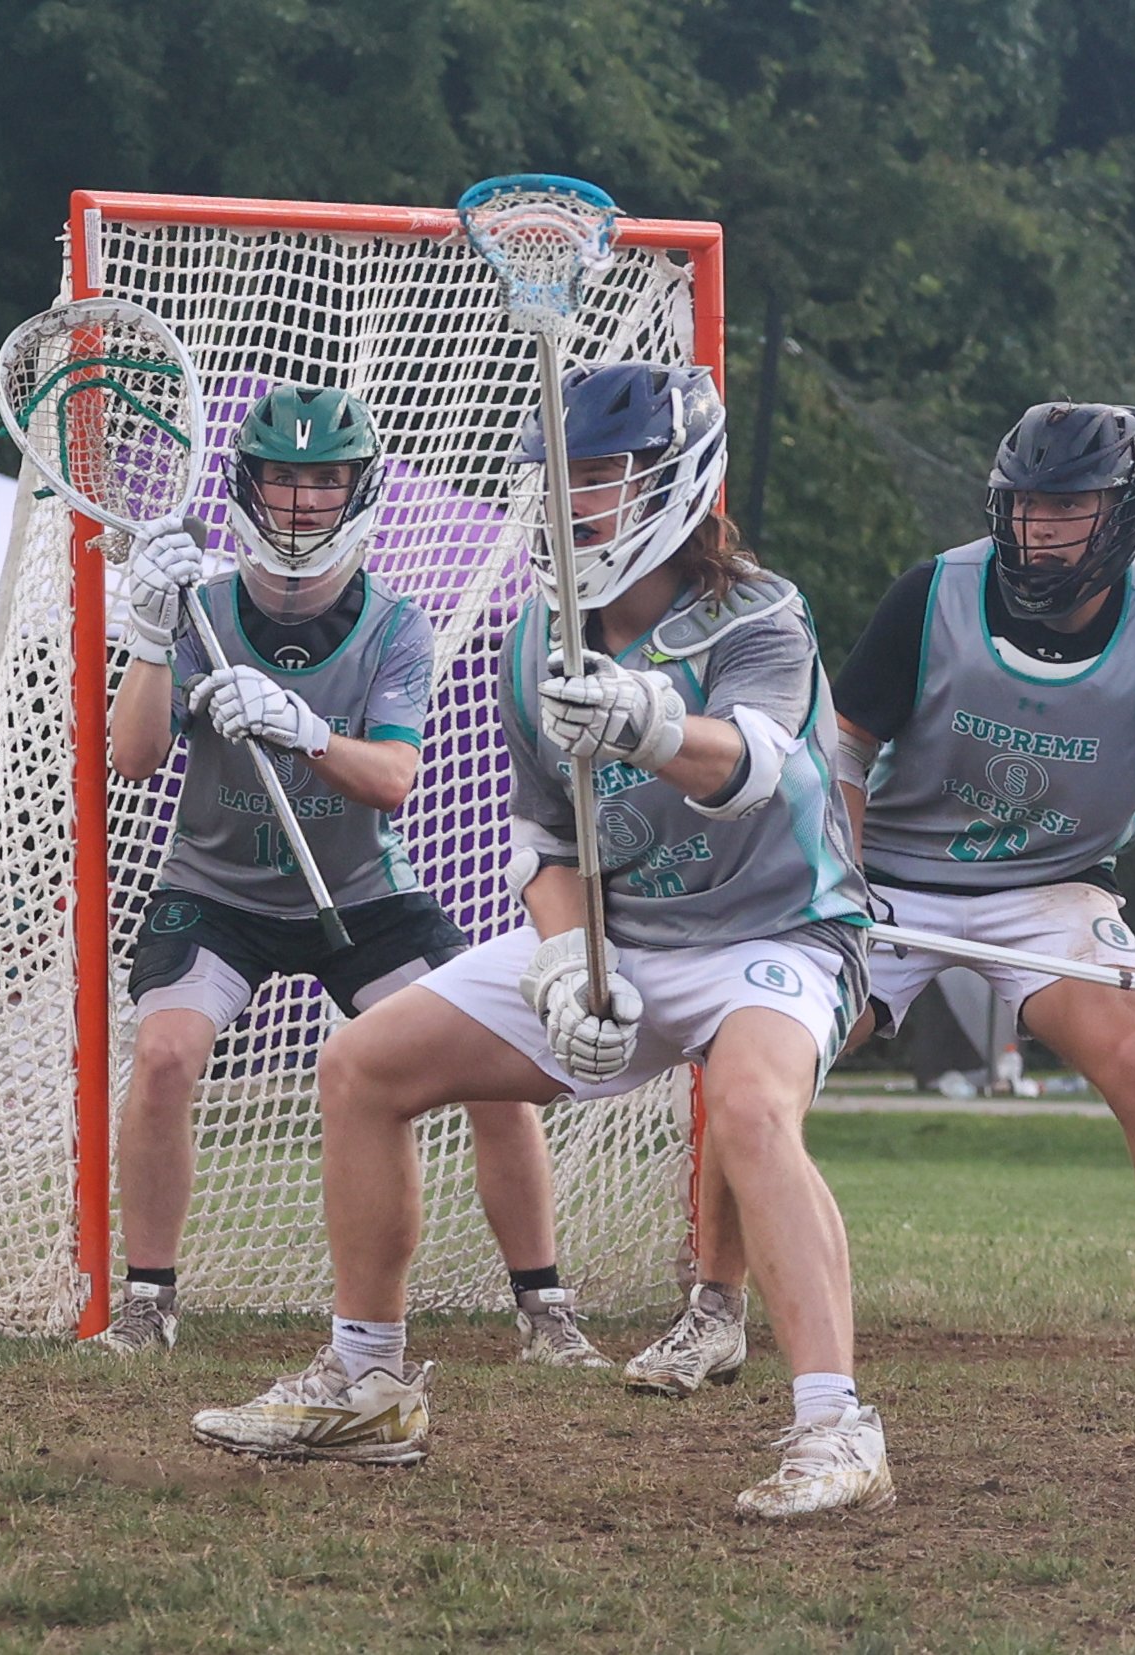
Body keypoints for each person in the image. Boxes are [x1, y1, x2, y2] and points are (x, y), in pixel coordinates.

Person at [192, 362, 893, 1518]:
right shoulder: (535, 633)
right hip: (619, 934)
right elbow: (542, 834)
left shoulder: (758, 612)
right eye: (561, 477)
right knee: (362, 1064)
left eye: (606, 476)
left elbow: (759, 766)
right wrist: (566, 956)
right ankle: (366, 1379)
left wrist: (652, 718)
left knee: (756, 1109)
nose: (576, 502)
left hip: (777, 930)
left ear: (674, 480)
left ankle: (833, 1426)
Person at [632, 401, 1135, 1405]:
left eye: (1066, 508)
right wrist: (835, 885)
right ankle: (712, 1310)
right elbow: (843, 748)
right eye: (1025, 506)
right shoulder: (935, 593)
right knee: (756, 1051)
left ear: (1123, 514)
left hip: (1046, 886)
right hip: (888, 881)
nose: (1037, 529)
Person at [99, 384, 608, 1369]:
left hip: (362, 891)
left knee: (490, 1067)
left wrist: (300, 726)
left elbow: (392, 778)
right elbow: (132, 756)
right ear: (248, 486)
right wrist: (153, 638)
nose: (299, 503)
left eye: (322, 480)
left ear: (355, 488)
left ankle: (544, 1307)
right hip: (216, 889)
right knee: (163, 1055)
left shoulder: (396, 626)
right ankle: (146, 1302)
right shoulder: (196, 608)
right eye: (282, 480)